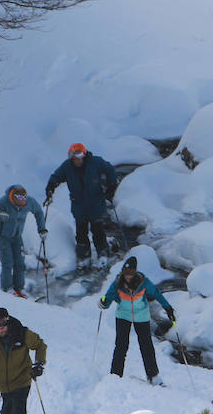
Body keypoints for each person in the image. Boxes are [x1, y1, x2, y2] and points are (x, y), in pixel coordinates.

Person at [99, 256, 175, 384]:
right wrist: (103, 303)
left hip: (142, 316)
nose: (128, 276)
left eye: (130, 273)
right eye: (126, 273)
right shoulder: (118, 283)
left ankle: (153, 376)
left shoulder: (143, 282)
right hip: (123, 316)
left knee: (146, 346)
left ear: (135, 273)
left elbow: (157, 294)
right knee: (121, 346)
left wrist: (168, 308)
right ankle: (115, 376)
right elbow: (108, 297)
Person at [44, 142, 119, 268]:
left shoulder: (95, 162)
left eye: (78, 157)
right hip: (79, 205)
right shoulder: (67, 166)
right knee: (81, 232)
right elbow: (55, 177)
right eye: (73, 157)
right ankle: (84, 257)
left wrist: (112, 187)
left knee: (97, 230)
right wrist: (50, 188)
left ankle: (103, 253)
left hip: (96, 203)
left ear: (84, 155)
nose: (76, 160)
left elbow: (110, 169)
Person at [0, 184, 46, 298]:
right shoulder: (4, 202)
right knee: (7, 262)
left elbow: (39, 212)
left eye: (24, 197)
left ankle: (19, 288)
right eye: (19, 197)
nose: (22, 200)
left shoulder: (29, 202)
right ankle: (7, 287)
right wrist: (0, 215)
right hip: (2, 236)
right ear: (13, 196)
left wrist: (42, 228)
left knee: (20, 263)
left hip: (16, 236)